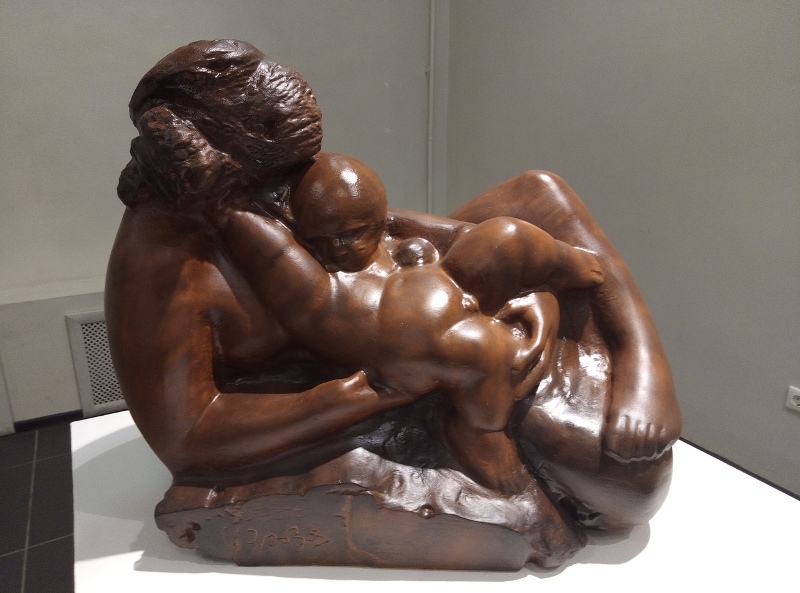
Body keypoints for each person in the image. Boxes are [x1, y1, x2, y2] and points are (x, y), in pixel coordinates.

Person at [107, 39, 680, 567]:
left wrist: (520, 289)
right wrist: (372, 392)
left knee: (539, 196)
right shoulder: (162, 264)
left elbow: (371, 227)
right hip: (380, 377)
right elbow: (190, 437)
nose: (291, 195)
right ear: (223, 159)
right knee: (629, 487)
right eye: (282, 175)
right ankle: (502, 465)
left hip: (423, 314)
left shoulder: (263, 197)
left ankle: (638, 356)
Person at [206, 151, 604, 494]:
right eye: (319, 241)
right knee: (482, 353)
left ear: (380, 225)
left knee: (505, 235)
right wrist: (222, 202)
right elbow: (262, 241)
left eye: (350, 235)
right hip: (413, 348)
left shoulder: (395, 241)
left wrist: (538, 295)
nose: (335, 249)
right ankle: (480, 433)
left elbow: (456, 237)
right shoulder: (315, 288)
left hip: (448, 291)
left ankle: (567, 262)